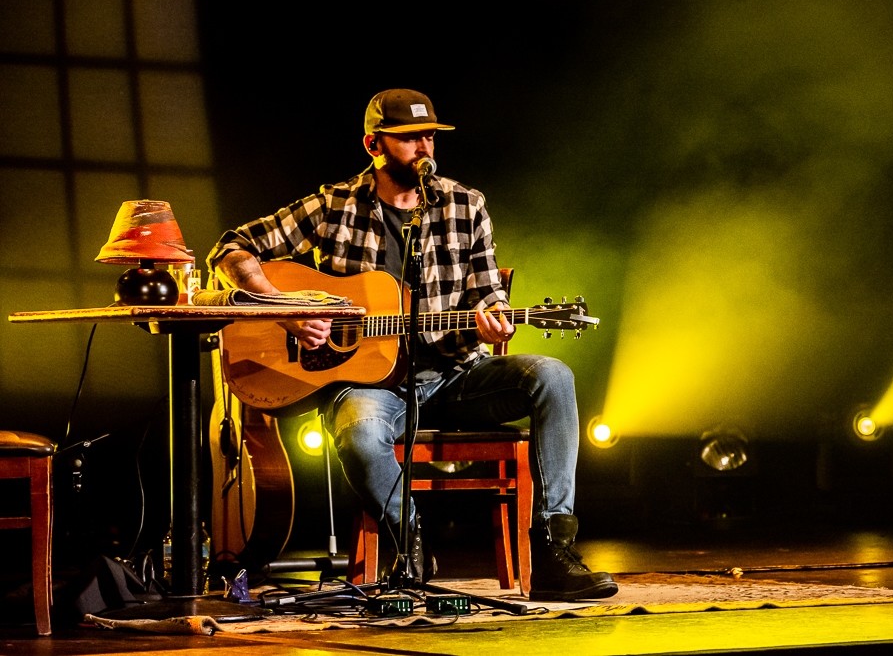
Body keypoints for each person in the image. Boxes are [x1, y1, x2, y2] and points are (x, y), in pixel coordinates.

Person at [206, 89, 617, 601]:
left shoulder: (466, 204)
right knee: (357, 434)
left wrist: (495, 318)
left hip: (453, 374)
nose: (424, 146)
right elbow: (231, 248)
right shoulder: (334, 203)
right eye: (409, 138)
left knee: (553, 375)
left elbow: (486, 291)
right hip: (367, 385)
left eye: (429, 136)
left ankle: (554, 549)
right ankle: (412, 539)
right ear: (373, 144)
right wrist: (285, 311)